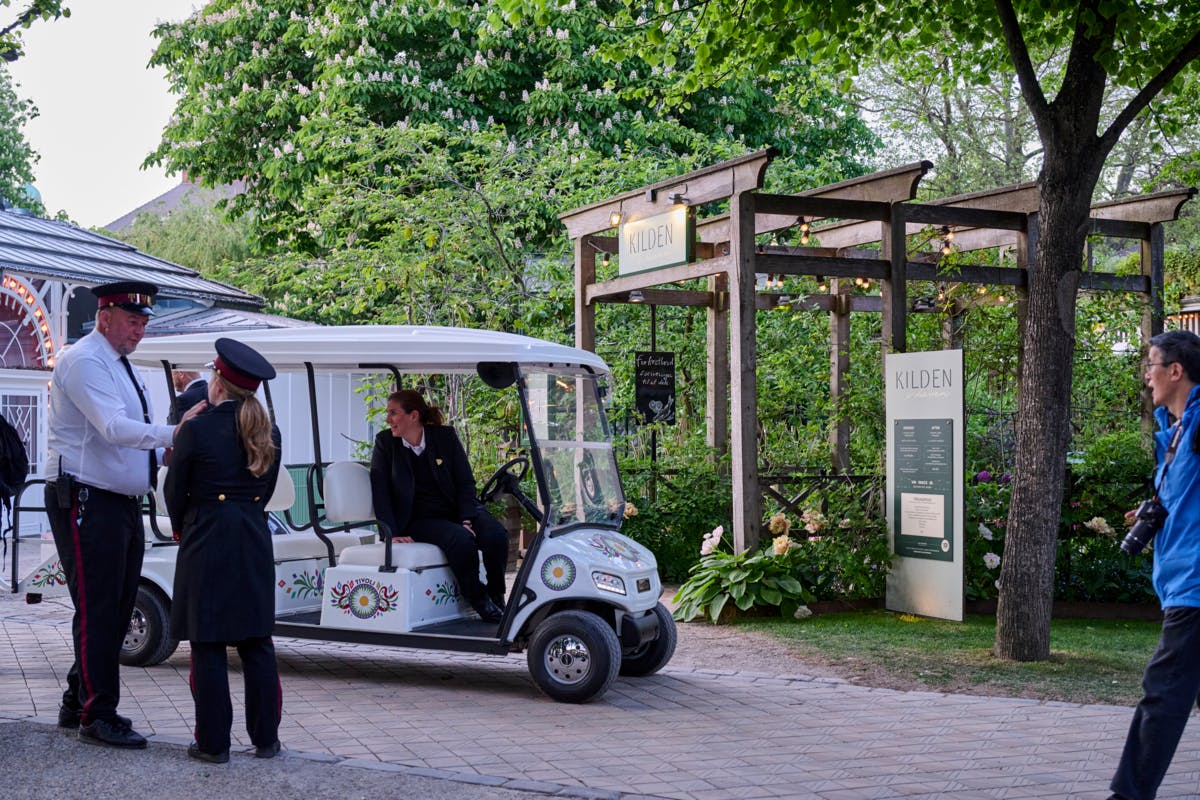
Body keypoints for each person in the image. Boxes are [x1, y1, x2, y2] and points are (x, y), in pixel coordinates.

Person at [45, 280, 203, 749]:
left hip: (117, 501)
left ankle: (78, 701)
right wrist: (175, 432)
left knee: (114, 610)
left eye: (143, 323)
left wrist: (165, 454)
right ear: (105, 317)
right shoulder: (84, 360)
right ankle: (99, 715)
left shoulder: (117, 364)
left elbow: (128, 445)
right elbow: (113, 429)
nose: (139, 331)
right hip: (87, 500)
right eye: (132, 322)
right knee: (99, 610)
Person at [164, 338, 283, 764]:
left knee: (208, 642)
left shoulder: (197, 428)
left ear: (217, 382)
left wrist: (182, 528)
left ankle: (214, 744)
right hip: (252, 535)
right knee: (256, 641)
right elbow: (265, 491)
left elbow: (175, 492)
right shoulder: (270, 432)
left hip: (207, 537)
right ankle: (267, 739)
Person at [1111, 329, 1200, 800]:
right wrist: (1156, 507)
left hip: (1196, 587)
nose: (1147, 377)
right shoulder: (1178, 431)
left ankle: (1128, 795)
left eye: (1151, 365)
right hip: (1181, 582)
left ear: (1175, 370)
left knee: (1162, 693)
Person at [369, 389, 508, 623]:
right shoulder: (385, 443)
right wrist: (390, 533)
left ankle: (497, 594)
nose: (388, 419)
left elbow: (465, 481)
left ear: (413, 416)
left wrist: (466, 518)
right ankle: (478, 598)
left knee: (497, 535)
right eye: (388, 414)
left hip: (455, 509)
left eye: (393, 413)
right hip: (419, 518)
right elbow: (380, 491)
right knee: (461, 540)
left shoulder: (444, 437)